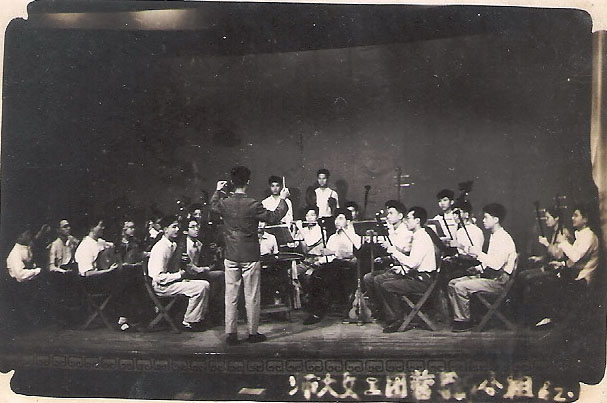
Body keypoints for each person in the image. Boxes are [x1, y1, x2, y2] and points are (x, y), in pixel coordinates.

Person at [210, 165, 289, 345]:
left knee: (231, 295)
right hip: (250, 254)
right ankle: (253, 333)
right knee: (252, 295)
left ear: (231, 182)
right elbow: (274, 217)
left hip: (231, 254)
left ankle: (231, 333)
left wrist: (218, 190)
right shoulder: (253, 204)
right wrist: (283, 199)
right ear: (248, 182)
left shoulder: (225, 202)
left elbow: (213, 206)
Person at [447, 203, 517, 332]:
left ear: (495, 219)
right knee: (452, 283)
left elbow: (496, 264)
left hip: (499, 281)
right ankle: (462, 317)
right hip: (491, 277)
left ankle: (464, 321)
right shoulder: (495, 235)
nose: (483, 220)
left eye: (486, 217)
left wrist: (478, 253)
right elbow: (491, 259)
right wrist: (479, 268)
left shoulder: (503, 238)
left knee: (460, 286)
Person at [532, 205, 599, 328]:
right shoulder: (582, 235)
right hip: (576, 276)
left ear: (585, 219)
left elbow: (575, 257)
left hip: (583, 280)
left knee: (546, 283)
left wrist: (563, 242)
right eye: (572, 215)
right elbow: (575, 260)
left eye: (576, 215)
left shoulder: (589, 236)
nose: (572, 218)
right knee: (543, 282)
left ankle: (551, 320)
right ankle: (550, 319)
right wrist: (562, 264)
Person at [374, 207, 437, 333]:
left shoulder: (422, 238)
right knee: (380, 281)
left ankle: (397, 320)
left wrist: (394, 251)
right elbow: (416, 262)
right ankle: (392, 317)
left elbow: (413, 263)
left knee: (387, 286)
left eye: (408, 218)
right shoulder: (418, 236)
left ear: (417, 220)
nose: (406, 221)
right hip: (417, 276)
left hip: (423, 281)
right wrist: (402, 269)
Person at [75, 219, 143, 331]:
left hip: (103, 277)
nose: (103, 228)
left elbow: (112, 247)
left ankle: (130, 316)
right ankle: (123, 318)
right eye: (100, 225)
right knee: (125, 279)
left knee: (130, 274)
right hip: (91, 283)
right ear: (92, 228)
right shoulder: (85, 246)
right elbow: (87, 273)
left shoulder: (99, 241)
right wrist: (109, 270)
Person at [148, 215, 210, 332]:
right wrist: (179, 275)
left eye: (178, 227)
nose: (177, 229)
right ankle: (188, 321)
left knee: (205, 284)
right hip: (161, 286)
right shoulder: (161, 248)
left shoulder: (173, 245)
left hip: (170, 282)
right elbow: (158, 277)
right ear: (165, 229)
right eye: (174, 227)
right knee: (199, 288)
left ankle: (197, 319)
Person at [303, 208, 361, 325]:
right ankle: (316, 310)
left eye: (341, 218)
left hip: (347, 268)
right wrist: (319, 261)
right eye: (336, 219)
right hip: (332, 266)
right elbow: (327, 256)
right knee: (315, 275)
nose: (337, 221)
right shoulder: (333, 237)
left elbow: (354, 254)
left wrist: (334, 252)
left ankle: (320, 309)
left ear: (348, 221)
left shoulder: (354, 237)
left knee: (326, 274)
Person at [362, 200, 413, 318]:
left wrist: (390, 247)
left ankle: (393, 315)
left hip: (404, 269)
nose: (388, 216)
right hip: (393, 265)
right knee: (368, 278)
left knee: (378, 279)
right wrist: (384, 258)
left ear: (400, 216)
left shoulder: (406, 232)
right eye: (387, 213)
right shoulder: (391, 231)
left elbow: (406, 251)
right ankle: (380, 309)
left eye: (391, 213)